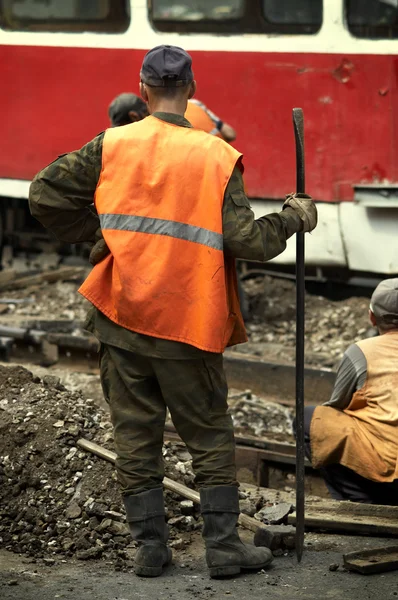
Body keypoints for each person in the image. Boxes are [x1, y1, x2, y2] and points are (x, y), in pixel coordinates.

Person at [29, 44, 317, 578]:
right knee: (208, 435)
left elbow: (44, 192)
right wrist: (293, 219)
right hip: (188, 319)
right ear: (189, 90)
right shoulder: (214, 155)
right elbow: (247, 240)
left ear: (142, 89)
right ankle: (224, 549)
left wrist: (98, 236)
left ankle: (151, 549)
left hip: (121, 315)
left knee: (135, 434)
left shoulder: (112, 143)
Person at [300, 278, 398, 505]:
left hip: (381, 469)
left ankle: (357, 499)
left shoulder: (361, 352)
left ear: (371, 317)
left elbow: (337, 405)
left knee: (311, 419)